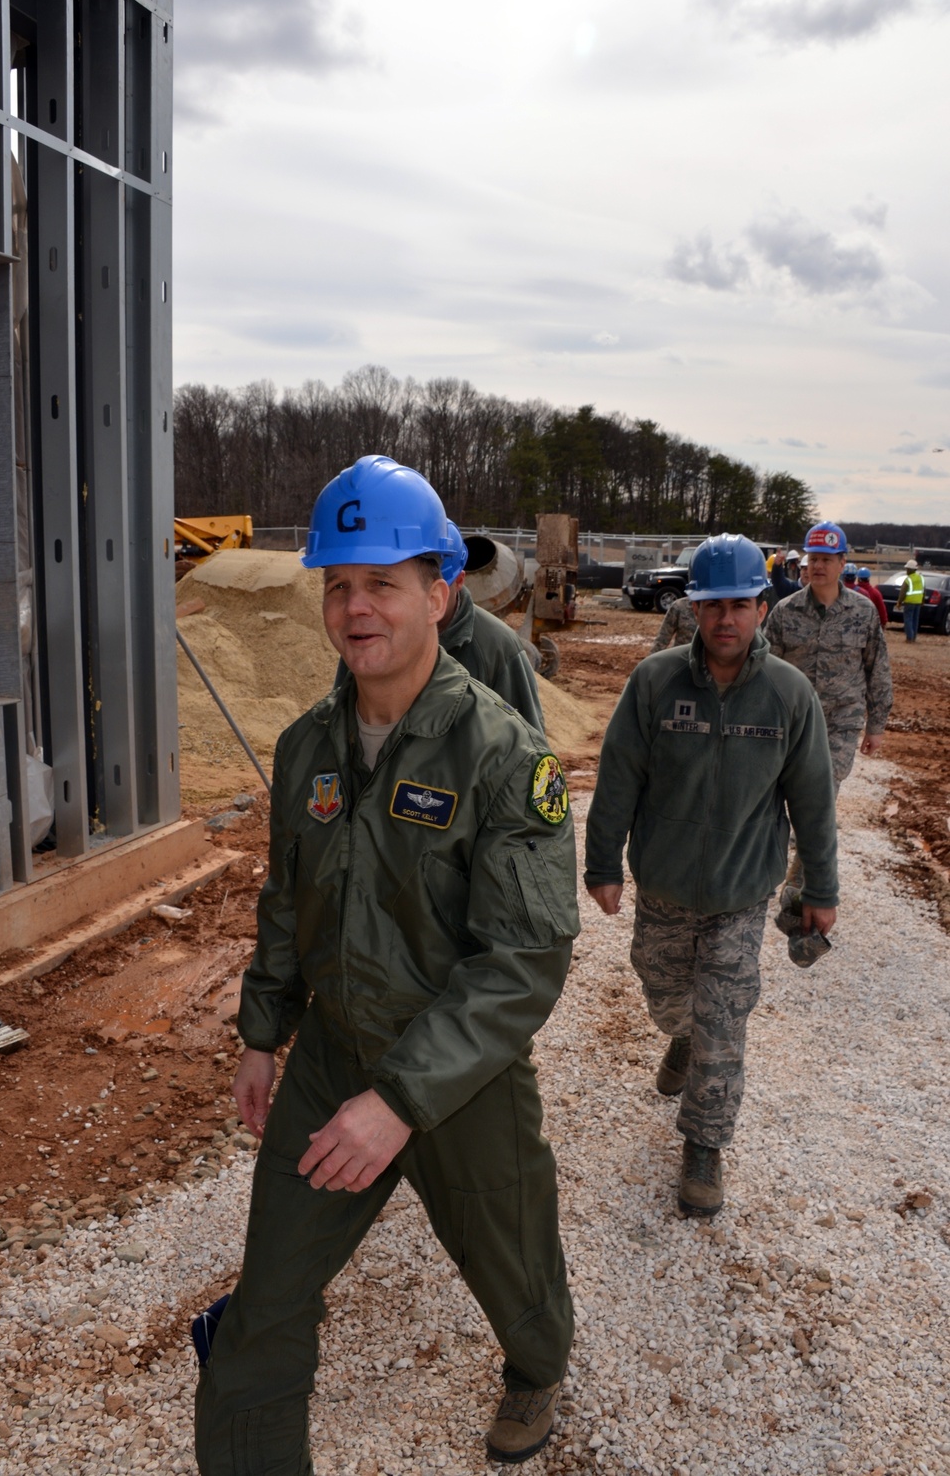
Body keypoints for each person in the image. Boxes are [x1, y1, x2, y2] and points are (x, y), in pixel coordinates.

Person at [195, 454, 579, 1474]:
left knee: (516, 1274)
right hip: (331, 1055)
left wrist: (401, 1099)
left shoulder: (505, 757)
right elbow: (288, 897)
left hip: (461, 1080)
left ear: (438, 594)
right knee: (262, 1313)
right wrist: (262, 1031)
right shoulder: (305, 748)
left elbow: (523, 960)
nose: (354, 608)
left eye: (381, 583)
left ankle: (537, 1366)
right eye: (337, 584)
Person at [584, 534, 838, 1218]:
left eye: (739, 604)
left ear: (761, 606)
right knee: (667, 997)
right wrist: (603, 862)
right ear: (693, 610)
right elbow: (618, 777)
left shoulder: (790, 695)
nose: (725, 619)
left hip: (741, 895)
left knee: (724, 1019)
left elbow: (813, 800)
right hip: (663, 887)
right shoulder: (655, 682)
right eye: (711, 606)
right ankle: (682, 1033)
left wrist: (821, 891)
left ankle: (704, 1144)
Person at [336, 520, 544, 730]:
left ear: (460, 581)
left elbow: (529, 746)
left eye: (435, 589)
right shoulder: (370, 636)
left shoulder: (498, 648)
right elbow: (341, 722)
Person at [763, 521, 892, 794]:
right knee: (782, 789)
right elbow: (764, 669)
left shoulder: (863, 612)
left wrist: (876, 726)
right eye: (814, 559)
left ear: (842, 563)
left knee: (823, 788)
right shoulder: (785, 612)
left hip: (842, 721)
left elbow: (877, 669)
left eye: (826, 559)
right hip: (793, 718)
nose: (818, 566)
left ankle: (812, 838)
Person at [897, 559, 924, 643]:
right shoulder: (921, 578)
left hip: (909, 602)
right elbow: (924, 590)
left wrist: (899, 602)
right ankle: (914, 637)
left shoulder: (908, 580)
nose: (906, 570)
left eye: (907, 569)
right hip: (918, 602)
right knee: (915, 620)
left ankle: (909, 638)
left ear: (910, 569)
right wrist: (922, 600)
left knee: (908, 620)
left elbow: (902, 592)